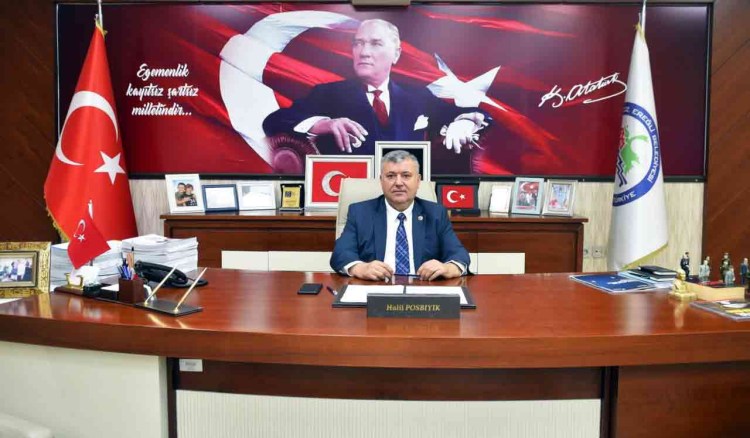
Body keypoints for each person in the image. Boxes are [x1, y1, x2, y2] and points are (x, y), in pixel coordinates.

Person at [263, 19, 487, 156]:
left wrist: (465, 122)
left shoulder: (417, 96)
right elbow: (273, 121)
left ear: (396, 54)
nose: (364, 52)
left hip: (406, 194)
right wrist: (323, 124)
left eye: (375, 43)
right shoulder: (328, 94)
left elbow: (476, 115)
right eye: (358, 43)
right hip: (351, 193)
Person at [330, 150, 470, 281]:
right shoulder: (360, 212)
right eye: (390, 176)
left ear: (418, 180)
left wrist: (447, 268)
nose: (398, 183)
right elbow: (340, 253)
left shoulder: (436, 214)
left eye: (406, 176)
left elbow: (459, 254)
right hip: (375, 287)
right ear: (381, 180)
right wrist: (360, 268)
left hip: (422, 290)